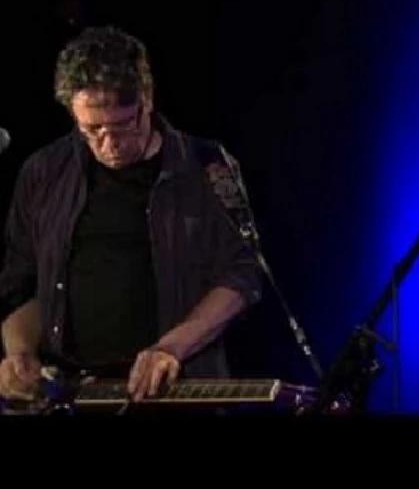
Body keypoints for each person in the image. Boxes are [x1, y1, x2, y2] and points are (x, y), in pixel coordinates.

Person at [0, 25, 266, 406]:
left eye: (123, 125)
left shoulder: (207, 167)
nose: (110, 145)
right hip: (70, 391)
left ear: (147, 99)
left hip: (173, 388)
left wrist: (170, 347)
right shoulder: (43, 171)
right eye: (92, 130)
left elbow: (243, 275)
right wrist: (19, 355)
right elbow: (20, 284)